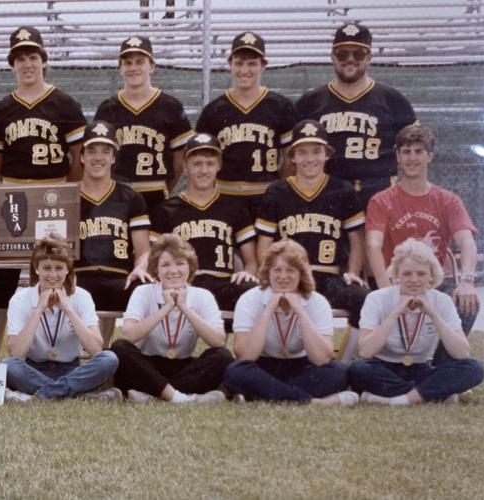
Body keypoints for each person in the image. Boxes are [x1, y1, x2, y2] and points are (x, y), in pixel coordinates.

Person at [0, 26, 87, 359]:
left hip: (53, 197)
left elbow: (79, 156)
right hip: (15, 198)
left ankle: (65, 350)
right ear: (12, 64)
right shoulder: (2, 109)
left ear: (43, 60)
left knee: (57, 272)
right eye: (20, 58)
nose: (27, 64)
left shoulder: (64, 103)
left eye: (32, 57)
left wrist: (60, 189)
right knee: (4, 278)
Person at [365, 124, 479, 364]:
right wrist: (387, 290)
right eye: (406, 152)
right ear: (397, 156)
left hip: (429, 283)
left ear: (430, 156)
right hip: (395, 282)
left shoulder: (447, 200)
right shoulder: (382, 200)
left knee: (467, 302)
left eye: (418, 151)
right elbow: (373, 245)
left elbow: (466, 242)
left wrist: (467, 282)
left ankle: (440, 369)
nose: (412, 158)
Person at [255, 120, 368, 349]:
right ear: (292, 157)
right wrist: (269, 274)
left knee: (365, 299)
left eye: (317, 151)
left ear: (327, 154)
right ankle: (271, 358)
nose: (310, 159)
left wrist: (353, 272)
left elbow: (357, 239)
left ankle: (345, 362)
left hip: (328, 277)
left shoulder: (342, 190)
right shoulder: (277, 191)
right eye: (302, 152)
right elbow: (264, 242)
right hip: (289, 277)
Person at [295, 23, 417, 211]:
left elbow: (415, 152)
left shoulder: (393, 100)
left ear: (369, 57)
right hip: (326, 194)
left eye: (358, 54)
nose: (350, 59)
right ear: (332, 57)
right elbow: (291, 156)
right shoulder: (310, 102)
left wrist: (412, 194)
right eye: (342, 54)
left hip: (378, 194)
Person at [222, 239, 357, 405]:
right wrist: (268, 310)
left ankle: (264, 394)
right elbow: (245, 355)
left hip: (301, 365)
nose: (283, 277)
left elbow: (321, 358)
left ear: (301, 274)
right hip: (263, 364)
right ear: (268, 272)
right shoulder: (250, 298)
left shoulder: (317, 301)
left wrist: (300, 310)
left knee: (339, 373)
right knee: (235, 371)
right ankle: (312, 402)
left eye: (291, 271)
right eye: (276, 270)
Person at [350, 239, 484, 405]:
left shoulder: (441, 300)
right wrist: (395, 312)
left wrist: (433, 313)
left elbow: (462, 353)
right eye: (407, 274)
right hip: (383, 367)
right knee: (358, 369)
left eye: (421, 274)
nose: (414, 280)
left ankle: (399, 399)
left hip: (420, 367)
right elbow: (365, 351)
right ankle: (434, 393)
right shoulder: (376, 298)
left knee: (474, 368)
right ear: (396, 275)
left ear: (431, 275)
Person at [111, 235, 231, 403]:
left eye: (180, 264)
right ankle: (180, 397)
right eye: (165, 265)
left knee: (222, 356)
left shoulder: (203, 295)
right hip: (148, 366)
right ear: (156, 270)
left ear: (190, 267)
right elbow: (129, 335)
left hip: (183, 366)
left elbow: (218, 340)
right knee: (119, 348)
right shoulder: (143, 292)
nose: (173, 271)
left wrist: (184, 307)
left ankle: (154, 395)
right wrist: (166, 308)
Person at [150, 132, 258, 314]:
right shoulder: (166, 209)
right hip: (183, 286)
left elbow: (252, 261)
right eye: (197, 164)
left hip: (223, 285)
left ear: (219, 166)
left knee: (251, 289)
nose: (204, 170)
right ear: (185, 166)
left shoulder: (234, 207)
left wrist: (247, 273)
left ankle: (243, 343)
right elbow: (153, 260)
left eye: (210, 164)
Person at [3, 235, 120, 401]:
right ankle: (77, 395)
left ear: (68, 269)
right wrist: (38, 310)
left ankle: (43, 394)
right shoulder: (20, 299)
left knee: (109, 358)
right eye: (46, 268)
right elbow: (16, 353)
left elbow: (96, 349)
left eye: (59, 268)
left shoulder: (81, 296)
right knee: (8, 365)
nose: (53, 274)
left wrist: (68, 309)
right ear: (37, 269)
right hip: (34, 369)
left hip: (71, 370)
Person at [195, 32, 296, 213]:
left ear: (263, 65)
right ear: (230, 64)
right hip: (224, 196)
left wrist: (278, 187)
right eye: (239, 63)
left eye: (252, 63)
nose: (244, 70)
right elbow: (203, 158)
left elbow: (291, 157)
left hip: (266, 194)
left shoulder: (281, 106)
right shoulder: (214, 110)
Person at [93, 35, 193, 210]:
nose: (133, 68)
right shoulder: (107, 108)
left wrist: (165, 186)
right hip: (117, 192)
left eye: (140, 62)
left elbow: (180, 158)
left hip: (156, 191)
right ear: (120, 69)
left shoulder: (170, 106)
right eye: (128, 63)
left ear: (152, 66)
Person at [74, 120, 151, 344]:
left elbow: (144, 250)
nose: (98, 157)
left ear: (113, 157)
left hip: (120, 280)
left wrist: (140, 268)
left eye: (105, 151)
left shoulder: (130, 197)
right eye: (92, 151)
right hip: (78, 280)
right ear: (81, 156)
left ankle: (141, 358)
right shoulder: (68, 195)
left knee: (150, 291)